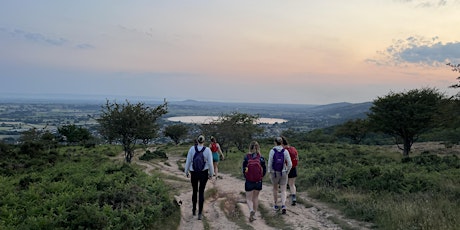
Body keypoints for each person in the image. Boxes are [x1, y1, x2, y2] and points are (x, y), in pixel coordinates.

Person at [184, 135, 214, 220]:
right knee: (201, 192)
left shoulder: (192, 149)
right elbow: (210, 164)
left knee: (194, 191)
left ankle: (194, 210)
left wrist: (186, 172)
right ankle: (200, 213)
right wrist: (211, 174)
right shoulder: (207, 150)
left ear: (197, 141)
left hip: (194, 172)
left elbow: (188, 161)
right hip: (203, 173)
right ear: (204, 141)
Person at [242, 141, 266, 222]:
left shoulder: (246, 157)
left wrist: (246, 176)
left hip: (249, 181)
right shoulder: (261, 158)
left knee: (248, 198)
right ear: (258, 147)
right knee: (255, 198)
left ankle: (251, 210)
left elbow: (244, 169)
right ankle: (254, 214)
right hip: (258, 181)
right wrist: (261, 177)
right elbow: (264, 169)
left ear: (250, 147)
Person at [267, 136, 292, 214]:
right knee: (283, 190)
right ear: (281, 142)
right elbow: (290, 164)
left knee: (275, 189)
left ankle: (275, 204)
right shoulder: (285, 151)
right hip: (283, 172)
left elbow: (270, 163)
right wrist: (287, 171)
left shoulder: (272, 151)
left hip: (274, 173)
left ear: (275, 142)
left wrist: (270, 171)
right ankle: (283, 205)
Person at [281, 136, 299, 206]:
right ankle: (294, 197)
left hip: (285, 168)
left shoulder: (283, 151)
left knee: (284, 185)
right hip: (294, 168)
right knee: (292, 184)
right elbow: (297, 158)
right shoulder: (293, 148)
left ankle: (284, 201)